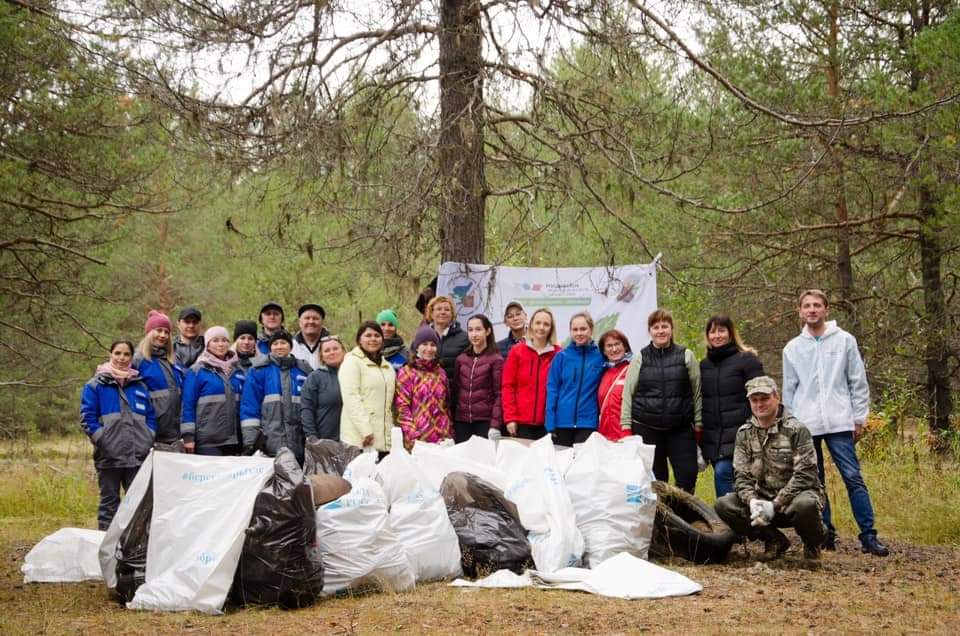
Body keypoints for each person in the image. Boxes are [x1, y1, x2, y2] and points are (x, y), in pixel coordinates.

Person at [782, 289, 889, 556]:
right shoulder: (793, 348)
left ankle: (868, 536)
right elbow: (789, 390)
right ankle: (825, 533)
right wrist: (791, 423)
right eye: (807, 306)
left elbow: (857, 380)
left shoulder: (844, 341)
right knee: (815, 482)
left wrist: (859, 418)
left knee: (853, 477)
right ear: (800, 311)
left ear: (826, 309)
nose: (812, 310)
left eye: (817, 305)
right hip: (806, 424)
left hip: (840, 421)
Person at [715, 376, 826, 562]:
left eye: (765, 398)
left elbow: (805, 476)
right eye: (754, 400)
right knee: (724, 505)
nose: (759, 404)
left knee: (805, 505)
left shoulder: (797, 430)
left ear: (777, 397)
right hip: (761, 499)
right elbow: (741, 475)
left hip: (794, 498)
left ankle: (813, 543)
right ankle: (774, 540)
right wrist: (751, 501)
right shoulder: (744, 433)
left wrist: (775, 504)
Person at [620, 309, 703, 494]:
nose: (660, 331)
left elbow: (697, 394)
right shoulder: (640, 358)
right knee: (656, 483)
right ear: (650, 331)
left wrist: (698, 425)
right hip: (647, 429)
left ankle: (685, 519)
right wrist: (626, 428)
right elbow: (627, 395)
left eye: (664, 326)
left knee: (687, 477)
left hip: (680, 430)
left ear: (671, 329)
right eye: (655, 327)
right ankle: (662, 520)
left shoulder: (686, 356)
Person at [80, 340, 157, 530]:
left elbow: (151, 416)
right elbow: (87, 418)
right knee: (109, 504)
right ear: (110, 354)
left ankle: (130, 551)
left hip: (137, 457)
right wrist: (103, 441)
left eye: (126, 354)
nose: (122, 358)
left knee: (136, 505)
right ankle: (104, 548)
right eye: (117, 353)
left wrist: (148, 437)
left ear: (132, 357)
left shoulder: (139, 386)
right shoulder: (95, 385)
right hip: (109, 456)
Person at [700, 315, 765, 498]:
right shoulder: (704, 366)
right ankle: (734, 521)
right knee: (727, 477)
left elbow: (762, 395)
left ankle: (735, 520)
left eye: (721, 330)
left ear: (730, 333)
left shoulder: (747, 360)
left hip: (743, 434)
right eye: (712, 331)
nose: (717, 335)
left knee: (724, 473)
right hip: (714, 438)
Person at [239, 329, 311, 463]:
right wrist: (251, 442)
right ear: (270, 347)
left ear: (290, 346)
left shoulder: (304, 370)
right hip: (269, 445)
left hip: (299, 444)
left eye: (283, 343)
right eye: (275, 343)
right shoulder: (257, 370)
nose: (279, 346)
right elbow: (249, 407)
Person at [545, 311, 605, 446]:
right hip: (562, 423)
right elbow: (552, 389)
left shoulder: (600, 357)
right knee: (561, 465)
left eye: (583, 329)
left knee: (583, 465)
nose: (579, 333)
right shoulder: (561, 357)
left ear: (591, 330)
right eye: (575, 329)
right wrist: (550, 422)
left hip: (588, 424)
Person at [180, 326, 243, 456]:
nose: (220, 344)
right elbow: (187, 406)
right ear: (207, 344)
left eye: (224, 340)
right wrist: (188, 437)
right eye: (215, 340)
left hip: (235, 440)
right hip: (208, 441)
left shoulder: (238, 371)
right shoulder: (197, 371)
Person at [501, 308, 561, 440]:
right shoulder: (517, 351)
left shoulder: (558, 354)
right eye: (538, 323)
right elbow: (508, 386)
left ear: (551, 328)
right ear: (531, 325)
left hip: (548, 424)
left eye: (546, 324)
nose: (541, 327)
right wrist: (510, 418)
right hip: (521, 424)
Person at [339, 321, 397, 454]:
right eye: (368, 335)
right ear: (359, 340)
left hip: (384, 439)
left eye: (377, 335)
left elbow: (390, 404)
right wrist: (365, 431)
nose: (373, 339)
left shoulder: (387, 367)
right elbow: (351, 398)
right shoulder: (352, 362)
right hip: (360, 439)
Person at [395, 325, 454, 447]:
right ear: (417, 347)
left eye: (433, 345)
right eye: (425, 344)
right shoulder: (407, 372)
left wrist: (450, 433)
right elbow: (403, 408)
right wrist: (413, 435)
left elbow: (446, 407)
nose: (429, 348)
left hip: (443, 439)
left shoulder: (441, 373)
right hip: (418, 441)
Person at [133, 310, 183, 444]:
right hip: (152, 433)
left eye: (166, 332)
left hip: (176, 433)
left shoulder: (174, 360)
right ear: (149, 332)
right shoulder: (138, 360)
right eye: (159, 330)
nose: (163, 335)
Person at [454, 314, 503, 443]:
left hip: (484, 422)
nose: (474, 334)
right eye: (470, 330)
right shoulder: (461, 359)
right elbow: (456, 392)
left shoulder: (496, 360)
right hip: (462, 422)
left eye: (478, 329)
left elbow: (499, 394)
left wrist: (495, 424)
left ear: (487, 331)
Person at [426, 295, 470, 414]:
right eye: (439, 309)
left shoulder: (464, 338)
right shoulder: (422, 336)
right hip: (427, 401)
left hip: (455, 401)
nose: (443, 312)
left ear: (452, 314)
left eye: (446, 309)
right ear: (431, 312)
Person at [301, 335, 347, 441]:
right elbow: (307, 409)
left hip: (352, 441)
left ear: (344, 351)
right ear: (321, 357)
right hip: (325, 441)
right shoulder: (315, 377)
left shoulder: (353, 374)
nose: (332, 352)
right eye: (327, 350)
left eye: (335, 349)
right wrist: (311, 437)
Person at [597, 329, 632, 441]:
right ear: (604, 351)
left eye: (617, 344)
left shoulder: (633, 370)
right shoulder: (602, 373)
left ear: (625, 346)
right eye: (609, 346)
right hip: (605, 437)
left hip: (626, 436)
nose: (614, 349)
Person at [291, 303, 330, 370]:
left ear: (322, 322)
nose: (311, 321)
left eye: (315, 318)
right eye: (307, 318)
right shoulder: (291, 347)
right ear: (300, 322)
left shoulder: (333, 345)